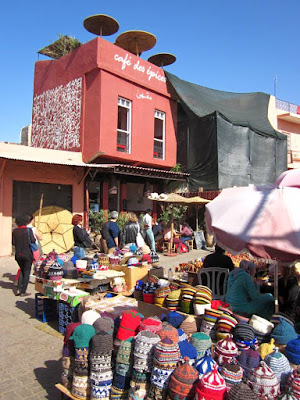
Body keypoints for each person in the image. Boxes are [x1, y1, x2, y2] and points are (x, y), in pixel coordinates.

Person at [12, 214, 36, 296]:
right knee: (26, 272)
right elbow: (33, 241)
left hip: (18, 254)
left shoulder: (15, 231)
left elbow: (13, 243)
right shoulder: (28, 230)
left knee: (21, 270)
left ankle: (18, 289)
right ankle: (23, 291)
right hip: (27, 254)